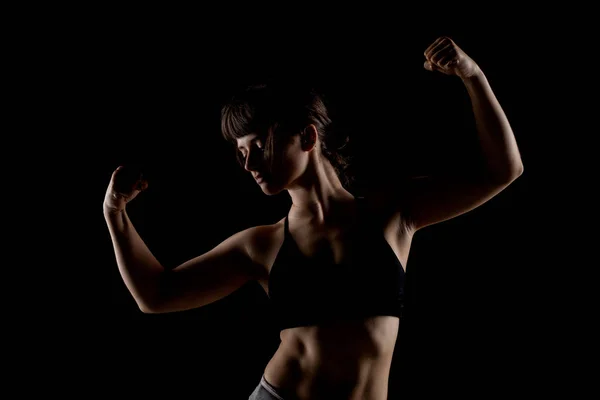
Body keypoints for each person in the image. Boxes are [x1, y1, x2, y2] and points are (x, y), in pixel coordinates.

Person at [103, 36, 524, 400]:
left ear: (307, 136)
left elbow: (503, 171)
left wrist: (473, 76)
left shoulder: (393, 212)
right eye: (239, 151)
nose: (248, 162)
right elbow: (155, 295)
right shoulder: (262, 244)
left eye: (258, 143)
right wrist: (114, 212)